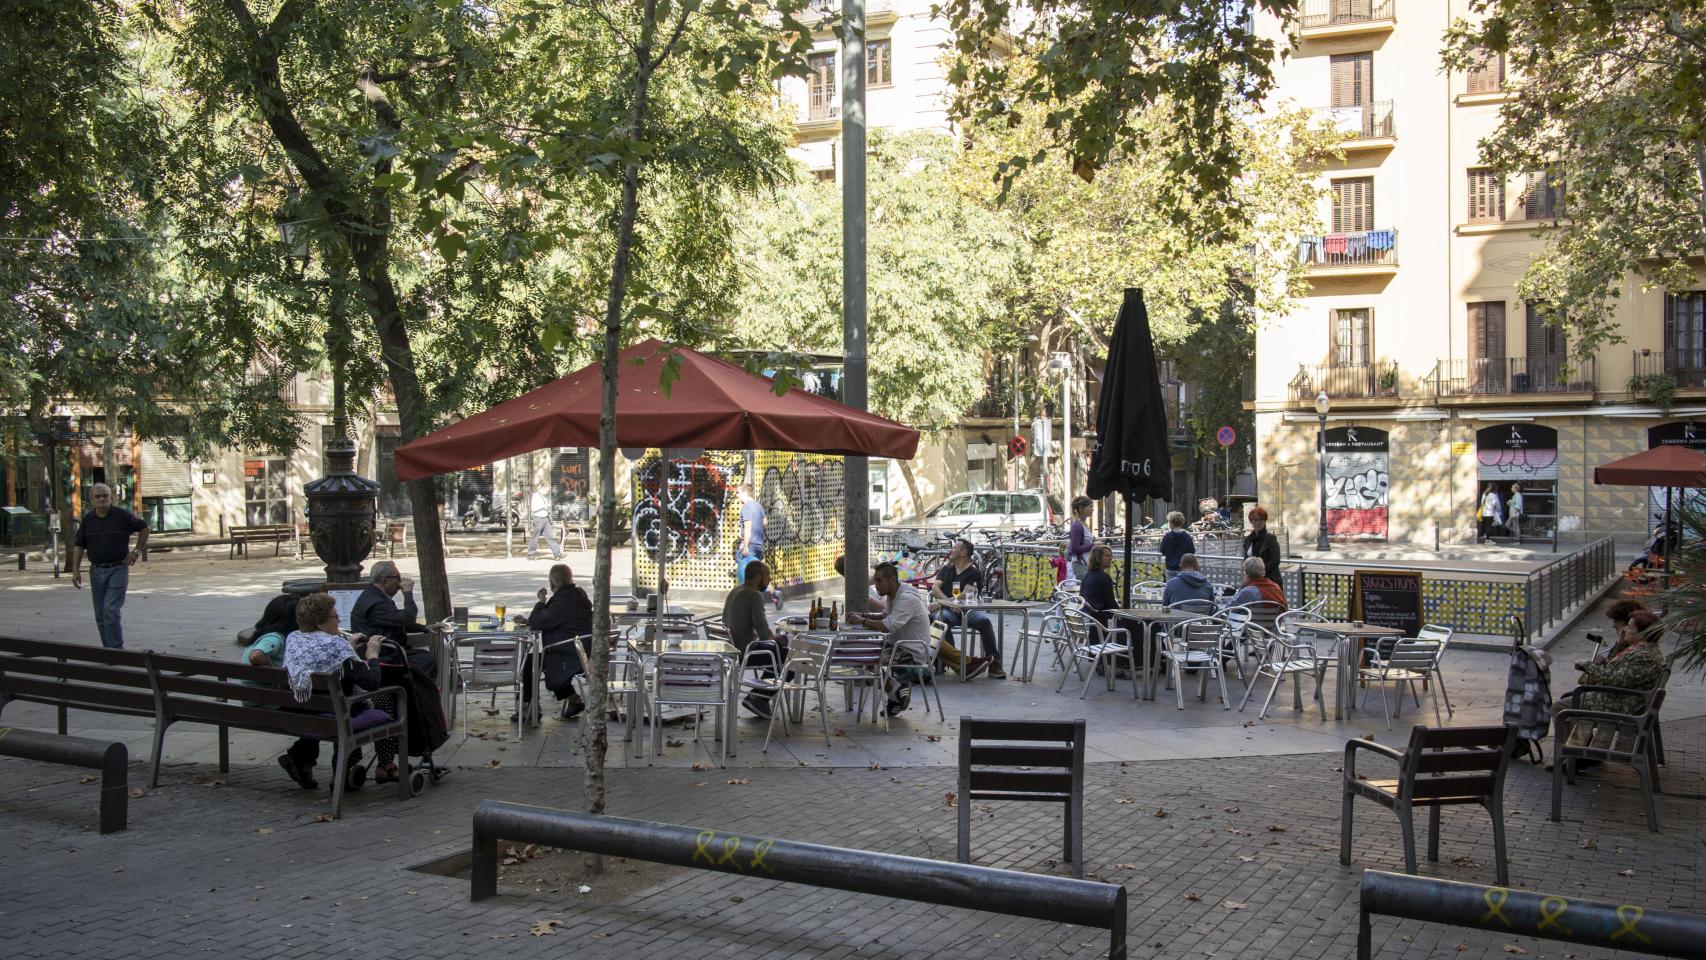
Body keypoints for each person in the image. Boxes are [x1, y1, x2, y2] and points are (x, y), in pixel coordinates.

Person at [279, 592, 395, 790]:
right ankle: (378, 765)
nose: (339, 620)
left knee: (346, 701)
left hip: (304, 709)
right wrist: (372, 655)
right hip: (337, 713)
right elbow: (371, 682)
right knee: (386, 697)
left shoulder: (294, 638)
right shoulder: (336, 645)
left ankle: (325, 763)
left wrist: (348, 647)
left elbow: (322, 660)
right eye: (335, 616)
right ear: (320, 621)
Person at [68, 482, 150, 649]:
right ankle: (109, 650)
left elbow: (145, 528)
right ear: (91, 499)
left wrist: (136, 552)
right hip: (96, 570)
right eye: (97, 496)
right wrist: (75, 571)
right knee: (100, 614)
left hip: (117, 568)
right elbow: (79, 546)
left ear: (110, 497)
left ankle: (116, 650)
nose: (102, 499)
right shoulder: (88, 520)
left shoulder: (121, 516)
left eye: (105, 495)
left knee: (110, 611)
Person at [847, 561, 932, 715]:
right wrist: (863, 615)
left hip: (912, 651)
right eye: (875, 580)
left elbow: (887, 625)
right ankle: (896, 691)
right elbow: (884, 615)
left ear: (892, 580)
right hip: (897, 645)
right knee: (862, 653)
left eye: (879, 581)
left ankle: (896, 690)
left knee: (868, 659)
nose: (876, 585)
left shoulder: (906, 598)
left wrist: (863, 621)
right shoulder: (894, 594)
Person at [513, 563, 590, 719]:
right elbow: (555, 619)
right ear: (570, 579)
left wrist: (541, 601)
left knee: (531, 662)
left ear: (552, 583)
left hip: (569, 653)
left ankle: (530, 706)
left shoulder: (562, 600)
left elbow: (540, 621)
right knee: (546, 660)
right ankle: (573, 699)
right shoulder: (578, 595)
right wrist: (529, 621)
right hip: (580, 649)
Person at [349, 560, 447, 677]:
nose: (400, 582)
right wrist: (407, 593)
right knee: (426, 660)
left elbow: (395, 620)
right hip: (383, 654)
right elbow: (408, 618)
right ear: (385, 581)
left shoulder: (374, 595)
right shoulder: (376, 603)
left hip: (386, 650)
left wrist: (424, 628)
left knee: (424, 657)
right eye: (398, 577)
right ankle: (417, 693)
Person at [930, 538, 1004, 679]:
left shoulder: (974, 573)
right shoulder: (946, 569)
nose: (951, 550)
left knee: (984, 621)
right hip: (947, 611)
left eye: (954, 548)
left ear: (963, 552)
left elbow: (966, 595)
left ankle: (995, 663)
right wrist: (949, 604)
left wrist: (941, 603)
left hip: (967, 610)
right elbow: (934, 589)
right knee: (942, 618)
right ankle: (955, 662)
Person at [722, 560, 784, 720]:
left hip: (730, 649)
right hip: (744, 653)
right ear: (758, 577)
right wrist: (778, 638)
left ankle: (756, 697)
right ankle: (759, 699)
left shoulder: (735, 591)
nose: (769, 579)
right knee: (788, 657)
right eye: (767, 575)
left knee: (778, 654)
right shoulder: (753, 595)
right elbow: (766, 635)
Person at [1079, 544, 1117, 626]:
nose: (1110, 558)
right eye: (1107, 556)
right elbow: (1111, 604)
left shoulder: (1086, 575)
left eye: (1111, 556)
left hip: (1085, 617)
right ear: (1098, 558)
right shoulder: (1104, 578)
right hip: (1100, 622)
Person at [1242, 506, 1280, 581]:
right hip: (1252, 579)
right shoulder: (1248, 540)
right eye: (1255, 520)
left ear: (1265, 521)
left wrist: (1258, 571)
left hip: (1269, 580)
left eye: (1261, 520)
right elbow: (1246, 560)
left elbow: (1275, 561)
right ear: (1251, 521)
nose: (1258, 523)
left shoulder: (1270, 538)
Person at [525, 487, 560, 562]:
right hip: (538, 518)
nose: (547, 492)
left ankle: (557, 554)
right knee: (535, 537)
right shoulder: (536, 496)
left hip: (545, 518)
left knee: (550, 537)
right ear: (542, 488)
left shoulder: (543, 496)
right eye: (547, 490)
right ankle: (530, 555)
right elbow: (534, 508)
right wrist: (544, 506)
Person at [1159, 511, 1195, 580]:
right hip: (1184, 568)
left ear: (1171, 523)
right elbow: (1192, 552)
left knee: (1171, 588)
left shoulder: (1167, 537)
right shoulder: (1187, 537)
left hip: (1170, 568)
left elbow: (1162, 551)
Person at [1067, 496, 1095, 580]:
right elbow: (1074, 549)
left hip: (1086, 563)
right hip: (1081, 565)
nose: (1092, 509)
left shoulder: (1084, 525)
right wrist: (1093, 546)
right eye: (1090, 507)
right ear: (1081, 508)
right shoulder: (1077, 526)